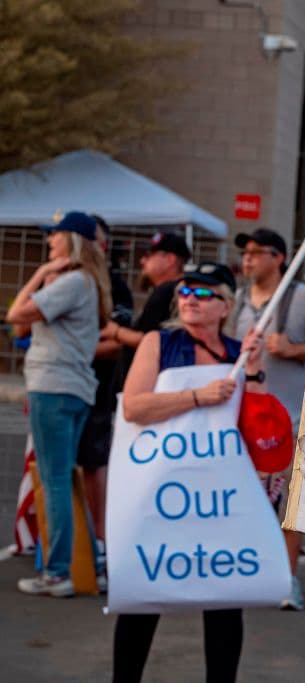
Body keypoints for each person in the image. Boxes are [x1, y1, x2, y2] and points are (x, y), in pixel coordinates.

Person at [112, 262, 266, 682]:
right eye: (184, 292)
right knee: (145, 592)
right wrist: (197, 396)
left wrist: (254, 369)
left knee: (223, 598)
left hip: (218, 496)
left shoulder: (237, 353)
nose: (189, 300)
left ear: (225, 306)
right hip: (162, 491)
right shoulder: (159, 343)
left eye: (202, 293)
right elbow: (134, 406)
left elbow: (261, 426)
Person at [5, 211, 112, 597]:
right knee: (63, 478)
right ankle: (90, 567)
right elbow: (20, 327)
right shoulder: (85, 282)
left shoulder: (73, 281)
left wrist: (40, 274)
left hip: (54, 386)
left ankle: (58, 572)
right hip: (72, 387)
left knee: (55, 480)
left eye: (56, 235)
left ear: (73, 240)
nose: (50, 241)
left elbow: (14, 314)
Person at [228, 228, 305, 611]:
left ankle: (287, 579)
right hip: (247, 422)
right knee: (247, 501)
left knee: (289, 507)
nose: (247, 259)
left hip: (293, 420)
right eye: (244, 253)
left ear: (278, 257)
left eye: (255, 252)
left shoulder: (302, 298)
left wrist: (294, 349)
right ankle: (248, 573)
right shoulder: (237, 301)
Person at [78, 217, 134, 586]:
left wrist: (73, 350)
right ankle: (72, 542)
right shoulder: (66, 280)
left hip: (97, 388)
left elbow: (119, 341)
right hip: (64, 385)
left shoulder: (114, 284)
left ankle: (99, 541)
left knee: (94, 463)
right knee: (62, 469)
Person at [102, 231, 191, 367]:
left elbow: (150, 339)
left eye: (149, 256)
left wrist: (115, 331)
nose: (142, 261)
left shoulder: (166, 292)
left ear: (170, 260)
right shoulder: (176, 290)